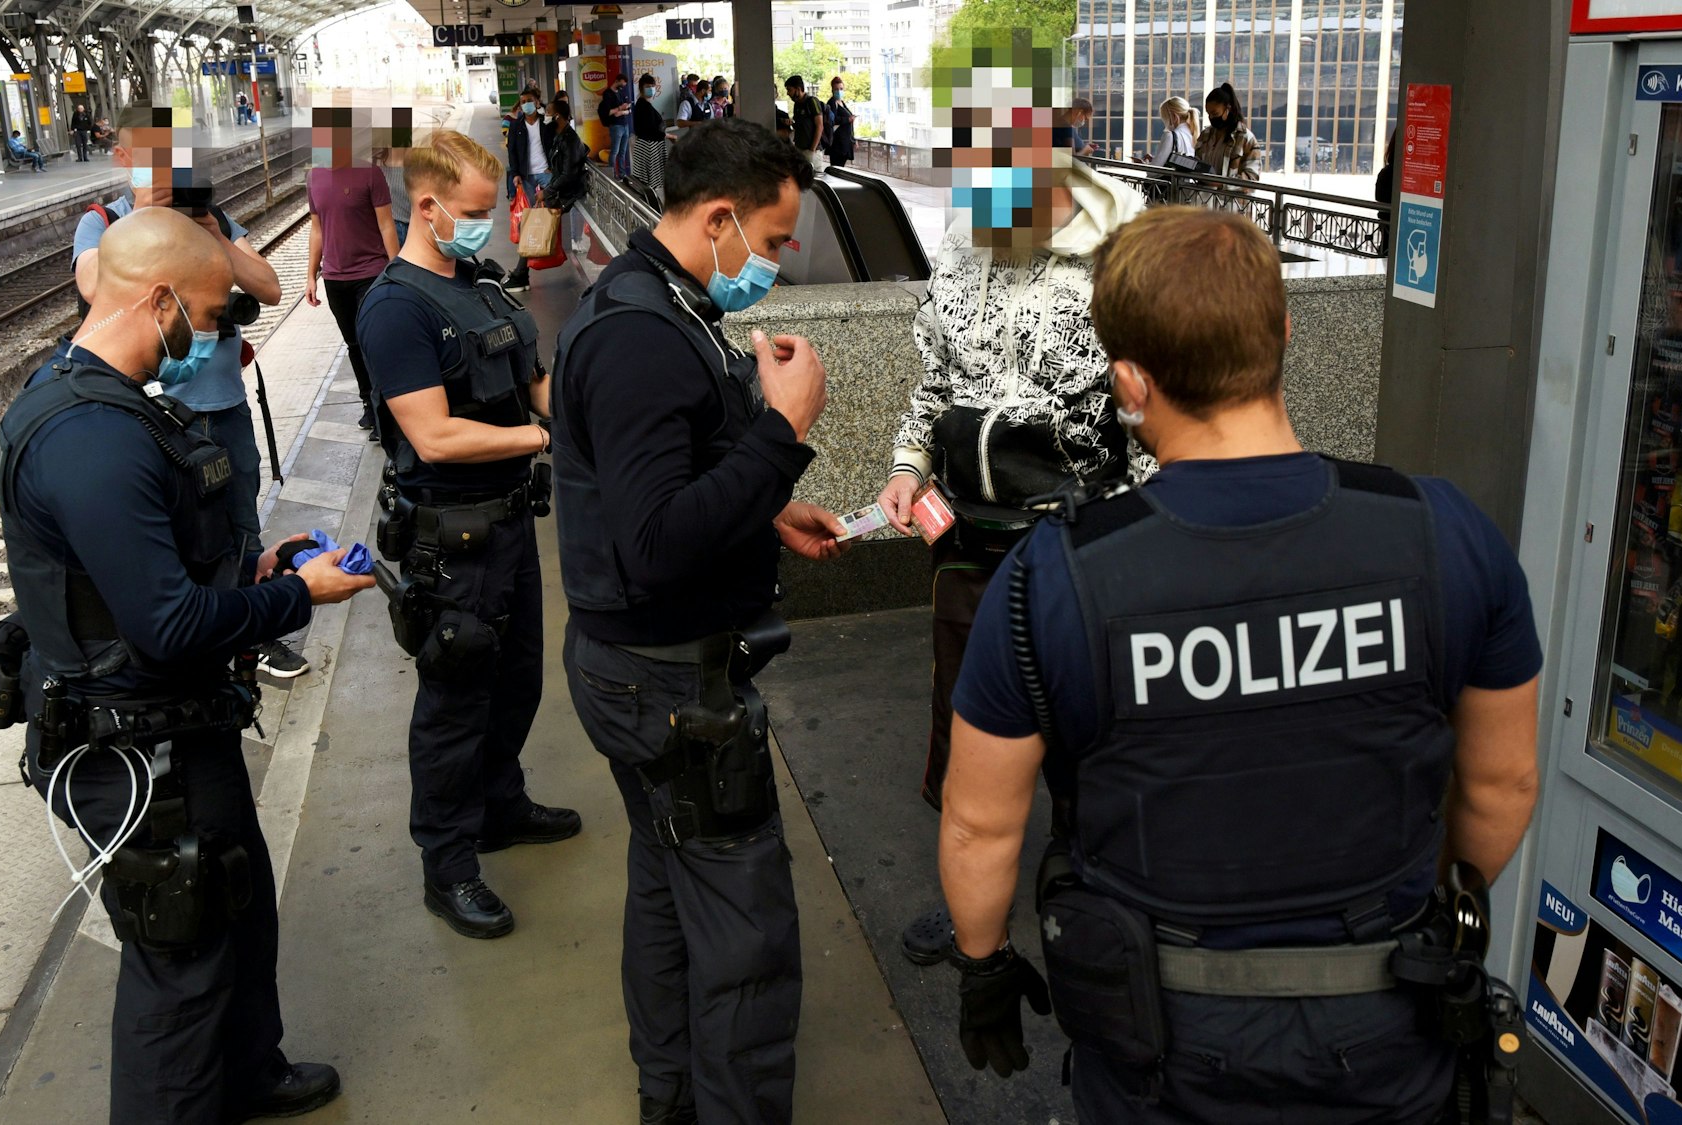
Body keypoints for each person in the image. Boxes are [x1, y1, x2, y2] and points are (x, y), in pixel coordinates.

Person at [937, 205, 1543, 1122]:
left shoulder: (1052, 578)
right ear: (1284, 334)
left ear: (1128, 380)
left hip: (1162, 1047)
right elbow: (1502, 785)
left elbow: (981, 824)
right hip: (1391, 1034)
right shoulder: (1444, 532)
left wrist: (981, 963)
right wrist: (1425, 910)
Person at [0, 205, 371, 1124]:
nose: (216, 337)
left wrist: (256, 568)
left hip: (177, 730)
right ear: (160, 300)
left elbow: (141, 577)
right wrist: (298, 596)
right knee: (181, 962)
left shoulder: (104, 404)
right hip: (138, 754)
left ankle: (248, 1072)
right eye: (208, 316)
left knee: (236, 911)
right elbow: (167, 624)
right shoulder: (91, 437)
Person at [551, 117, 847, 1125]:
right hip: (669, 685)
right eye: (771, 240)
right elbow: (655, 542)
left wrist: (764, 507)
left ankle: (669, 1093)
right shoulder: (640, 338)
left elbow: (664, 485)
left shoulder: (659, 301)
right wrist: (782, 431)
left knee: (667, 884)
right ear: (719, 218)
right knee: (743, 932)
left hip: (642, 672)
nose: (775, 262)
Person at [875, 56, 1146, 964]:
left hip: (1085, 543)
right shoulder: (964, 240)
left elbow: (1153, 410)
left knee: (1087, 736)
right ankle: (968, 904)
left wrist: (1148, 541)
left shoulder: (1126, 248)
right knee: (965, 723)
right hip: (971, 539)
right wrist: (909, 466)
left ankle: (1090, 894)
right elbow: (935, 380)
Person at [355, 128, 581, 941]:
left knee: (517, 682)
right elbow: (435, 435)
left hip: (510, 521)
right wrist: (543, 438)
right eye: (478, 211)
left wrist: (585, 411)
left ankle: (498, 806)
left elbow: (533, 383)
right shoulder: (396, 309)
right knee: (455, 704)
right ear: (428, 207)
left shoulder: (482, 285)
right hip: (452, 541)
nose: (491, 225)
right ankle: (447, 864)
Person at [72, 106, 306, 679]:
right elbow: (94, 284)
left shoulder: (213, 218)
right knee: (176, 535)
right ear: (123, 158)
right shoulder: (103, 222)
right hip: (154, 417)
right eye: (150, 155)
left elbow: (270, 287)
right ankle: (185, 646)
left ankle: (255, 637)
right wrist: (145, 220)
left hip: (223, 408)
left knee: (241, 524)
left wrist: (211, 235)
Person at [304, 118, 399, 440]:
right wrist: (311, 275)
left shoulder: (370, 174)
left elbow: (386, 225)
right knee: (354, 344)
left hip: (371, 273)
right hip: (334, 277)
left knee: (374, 342)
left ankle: (386, 407)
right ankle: (369, 404)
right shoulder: (314, 177)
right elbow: (317, 228)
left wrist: (397, 269)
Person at [502, 92, 558, 293]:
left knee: (538, 220)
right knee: (532, 220)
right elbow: (512, 152)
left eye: (529, 101)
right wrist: (516, 173)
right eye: (523, 102)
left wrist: (553, 167)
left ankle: (521, 272)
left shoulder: (546, 122)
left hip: (546, 175)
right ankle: (522, 271)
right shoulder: (516, 125)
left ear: (537, 102)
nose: (526, 104)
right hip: (527, 176)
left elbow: (556, 144)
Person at [541, 100, 589, 251]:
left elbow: (568, 174)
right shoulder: (559, 136)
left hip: (569, 195)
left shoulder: (569, 140)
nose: (545, 116)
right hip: (562, 192)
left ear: (557, 117)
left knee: (538, 229)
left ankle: (574, 240)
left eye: (548, 113)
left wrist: (547, 192)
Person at [1195, 82, 1263, 180]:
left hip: (1229, 191)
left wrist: (1221, 184)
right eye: (1208, 114)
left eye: (1215, 113)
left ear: (1228, 109)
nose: (1211, 117)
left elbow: (1252, 177)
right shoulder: (1205, 134)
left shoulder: (1246, 138)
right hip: (1203, 190)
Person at [630, 73, 669, 202]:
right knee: (649, 183)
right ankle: (651, 206)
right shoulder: (643, 106)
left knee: (651, 183)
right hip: (648, 148)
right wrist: (667, 135)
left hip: (652, 148)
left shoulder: (646, 105)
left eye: (652, 86)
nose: (651, 89)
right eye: (647, 86)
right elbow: (650, 129)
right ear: (641, 88)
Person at [785, 75, 823, 171]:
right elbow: (799, 125)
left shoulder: (812, 101)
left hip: (812, 150)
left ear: (798, 89)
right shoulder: (797, 105)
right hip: (799, 149)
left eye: (789, 90)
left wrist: (812, 149)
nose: (788, 93)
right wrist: (791, 123)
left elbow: (819, 126)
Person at [600, 71, 633, 179]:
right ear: (617, 81)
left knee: (622, 152)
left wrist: (623, 111)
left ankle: (622, 174)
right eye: (622, 83)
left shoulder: (621, 92)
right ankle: (612, 174)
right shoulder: (607, 94)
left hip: (624, 124)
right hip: (615, 125)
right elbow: (609, 112)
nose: (623, 86)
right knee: (615, 151)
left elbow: (626, 109)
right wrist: (620, 109)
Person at [1153, 96, 1198, 166]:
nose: (1165, 123)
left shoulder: (1170, 136)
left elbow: (1155, 168)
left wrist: (1144, 164)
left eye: (1165, 118)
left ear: (1174, 117)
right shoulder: (1193, 134)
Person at [824, 75, 856, 168]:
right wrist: (847, 119)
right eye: (836, 89)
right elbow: (832, 119)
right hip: (837, 144)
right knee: (836, 167)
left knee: (840, 167)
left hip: (845, 142)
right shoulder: (832, 103)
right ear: (832, 90)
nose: (839, 91)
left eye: (841, 89)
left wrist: (853, 139)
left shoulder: (841, 102)